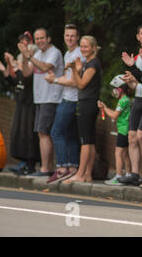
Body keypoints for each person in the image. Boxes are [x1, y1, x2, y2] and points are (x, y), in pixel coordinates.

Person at [18, 28, 64, 177]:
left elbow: (45, 67)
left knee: (44, 132)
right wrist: (25, 57)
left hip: (51, 98)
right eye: (37, 39)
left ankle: (45, 169)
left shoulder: (54, 53)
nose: (39, 41)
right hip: (40, 98)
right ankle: (47, 167)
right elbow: (26, 72)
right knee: (42, 133)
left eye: (42, 38)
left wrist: (29, 56)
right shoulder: (37, 53)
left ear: (48, 38)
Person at [45, 24, 84, 183]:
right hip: (69, 98)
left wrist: (54, 80)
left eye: (73, 36)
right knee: (70, 134)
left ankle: (62, 167)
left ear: (78, 37)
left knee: (56, 132)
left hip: (71, 99)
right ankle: (73, 167)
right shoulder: (69, 53)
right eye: (67, 35)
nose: (69, 38)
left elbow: (75, 82)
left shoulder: (78, 54)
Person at [0, 32, 40, 175]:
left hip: (31, 102)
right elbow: (15, 80)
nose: (23, 44)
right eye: (21, 41)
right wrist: (8, 65)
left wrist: (17, 62)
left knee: (29, 133)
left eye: (26, 41)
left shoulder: (34, 60)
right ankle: (22, 161)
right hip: (21, 101)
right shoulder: (21, 60)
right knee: (19, 132)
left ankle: (30, 164)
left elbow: (26, 76)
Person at [119, 24, 142, 185]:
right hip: (138, 99)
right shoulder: (136, 57)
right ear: (138, 36)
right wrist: (131, 82)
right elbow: (138, 84)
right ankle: (134, 173)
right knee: (132, 137)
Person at [63, 35, 102, 183]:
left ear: (93, 47)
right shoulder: (88, 63)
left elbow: (80, 84)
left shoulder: (93, 64)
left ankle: (80, 174)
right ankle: (87, 174)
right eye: (82, 46)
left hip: (88, 104)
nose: (83, 49)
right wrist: (78, 69)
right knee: (90, 141)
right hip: (88, 103)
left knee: (85, 141)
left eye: (86, 46)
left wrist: (73, 70)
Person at [99, 75, 132, 186]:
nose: (114, 91)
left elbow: (114, 115)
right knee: (125, 154)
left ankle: (118, 176)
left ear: (120, 89)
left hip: (123, 130)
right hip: (126, 129)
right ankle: (128, 175)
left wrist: (104, 108)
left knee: (119, 153)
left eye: (115, 88)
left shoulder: (122, 101)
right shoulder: (126, 100)